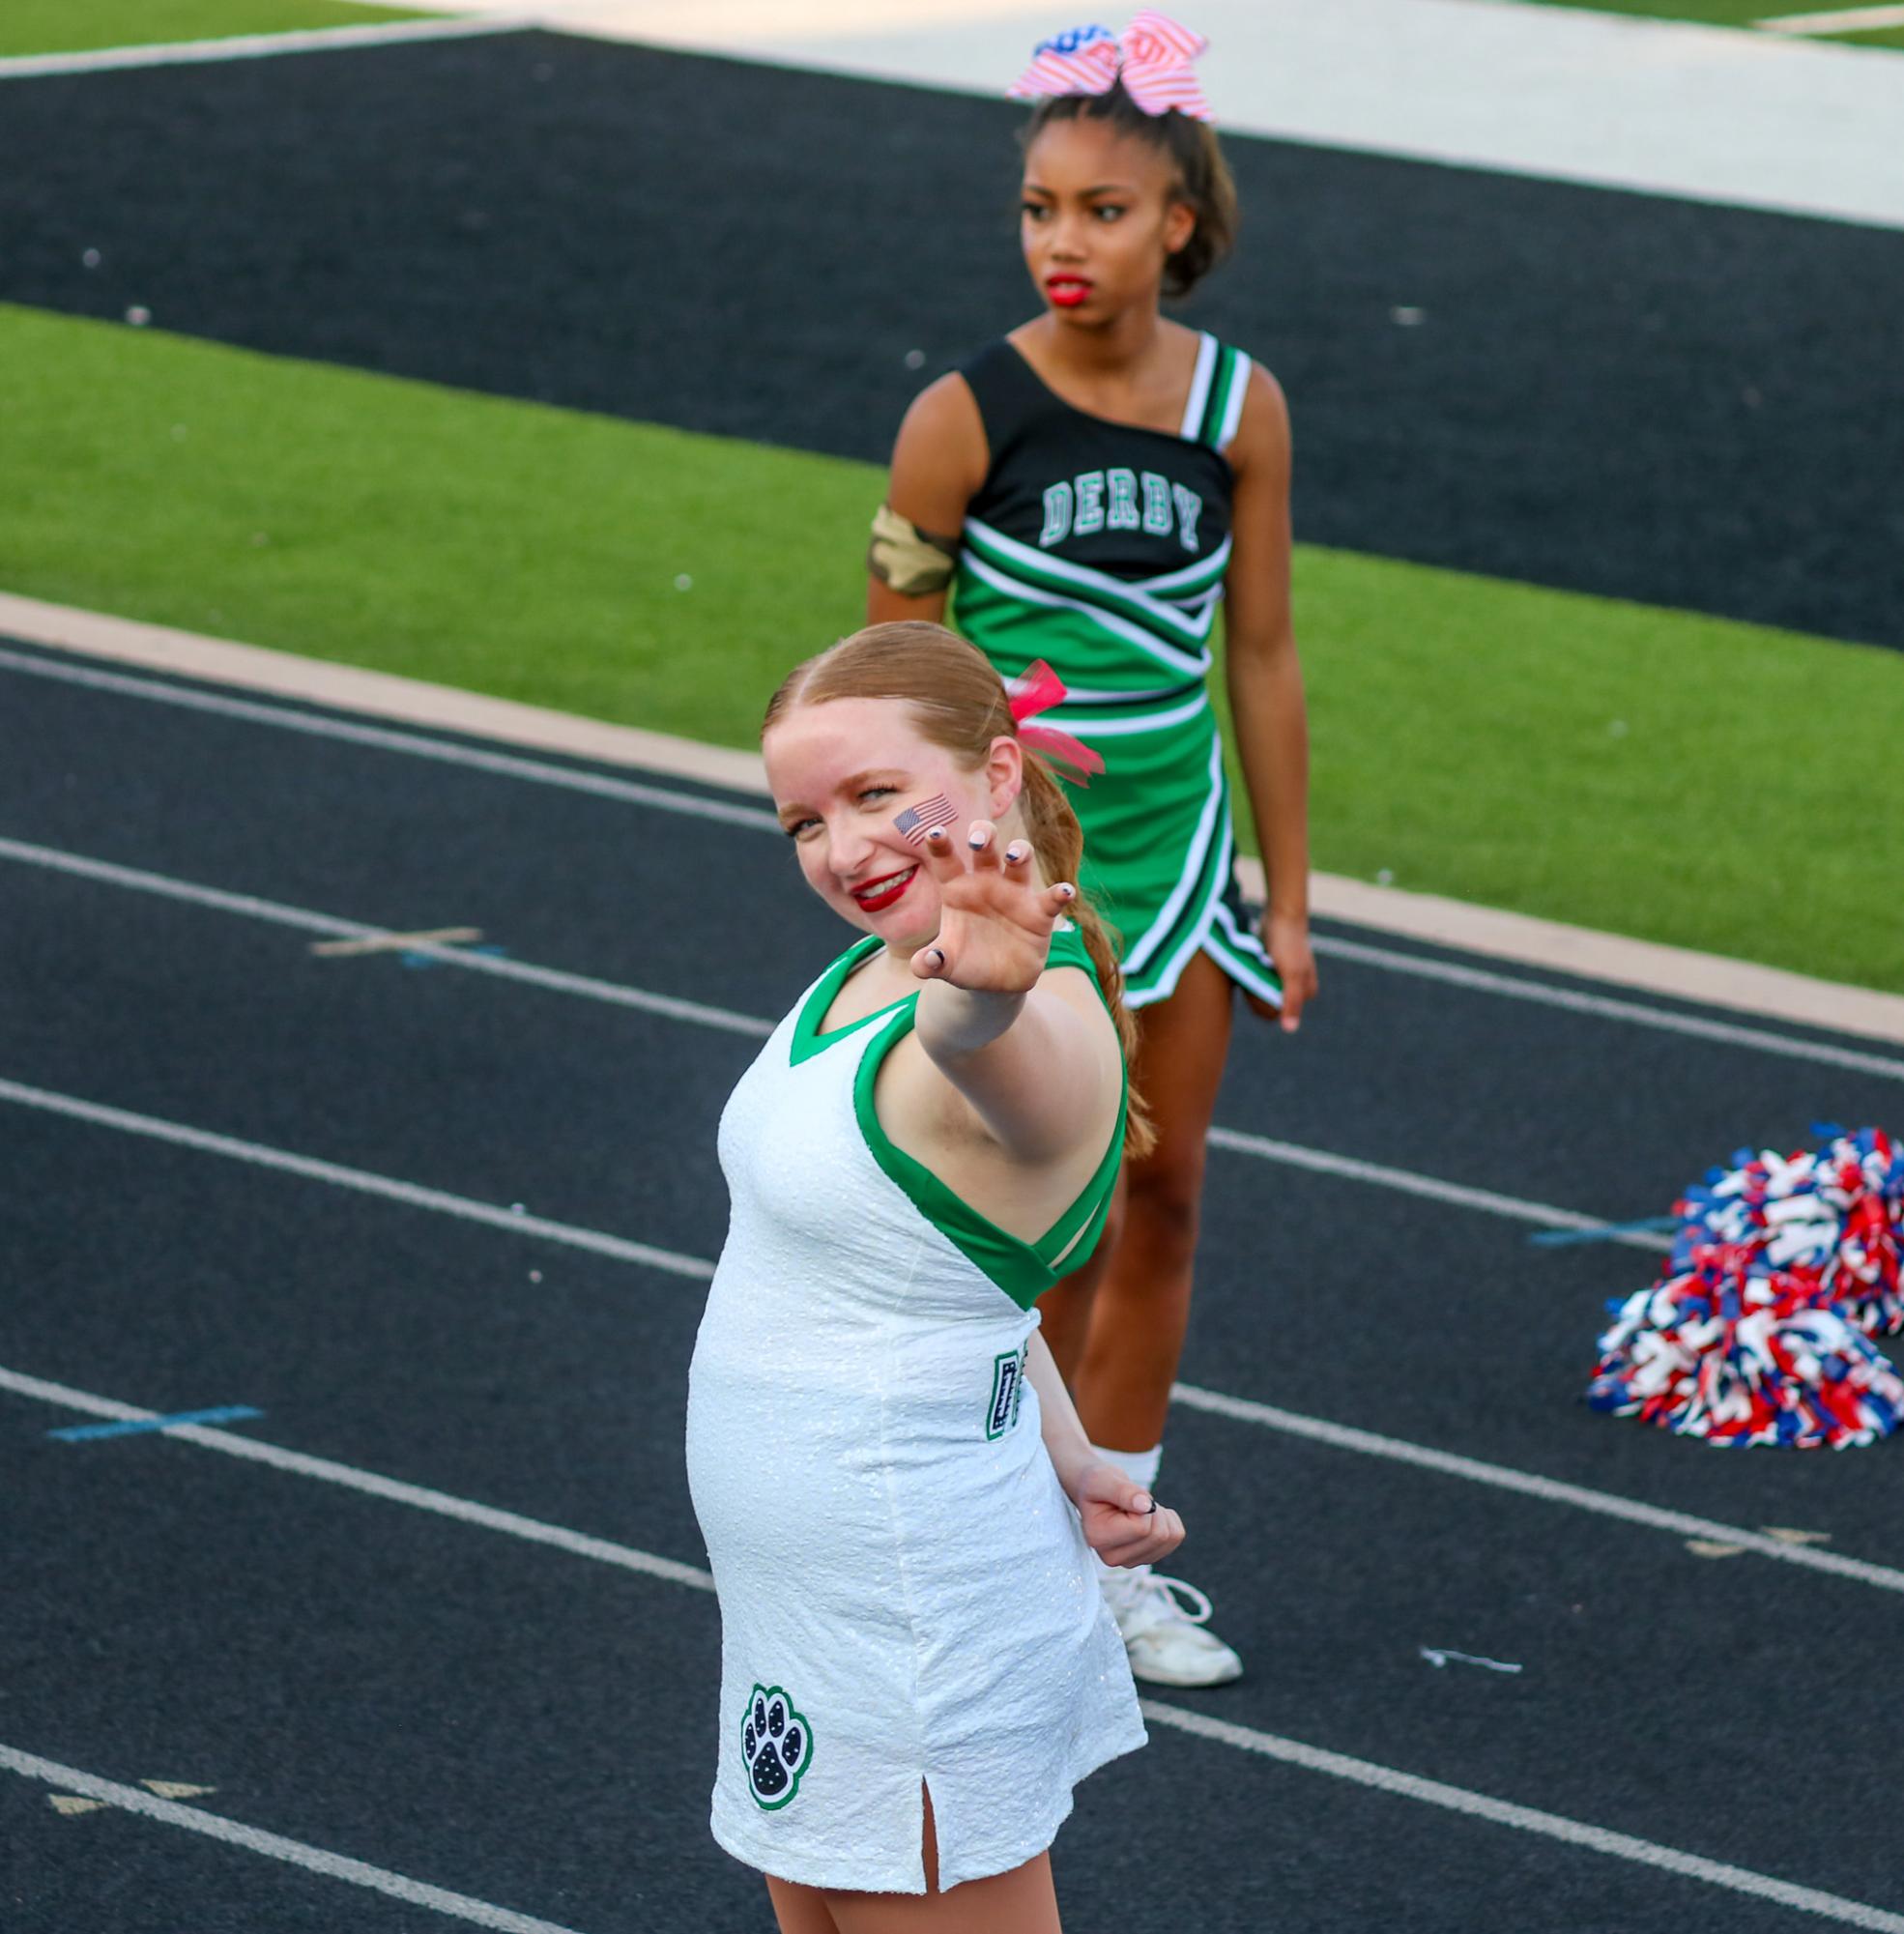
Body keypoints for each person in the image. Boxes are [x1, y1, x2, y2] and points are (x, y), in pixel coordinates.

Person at [866, 14, 1316, 1689]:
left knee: (1161, 1191)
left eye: (1104, 210)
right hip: (1022, 886)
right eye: (1041, 207)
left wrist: (1288, 887)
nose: (1065, 240)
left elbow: (1258, 656)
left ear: (1180, 224)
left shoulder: (1239, 408)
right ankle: (1001, 1540)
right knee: (1032, 1218)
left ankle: (1108, 1550)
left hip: (1183, 865)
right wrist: (931, 884)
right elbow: (894, 692)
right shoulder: (959, 415)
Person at [684, 621, 1187, 1930]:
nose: (840, 850)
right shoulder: (870, 967)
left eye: (871, 794)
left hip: (908, 1620)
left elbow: (1006, 1075)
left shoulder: (1026, 1017)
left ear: (1001, 775)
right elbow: (940, 1270)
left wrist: (979, 1002)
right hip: (809, 1611)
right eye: (801, 819)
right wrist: (1071, 1451)